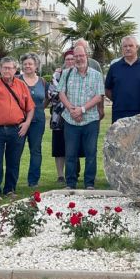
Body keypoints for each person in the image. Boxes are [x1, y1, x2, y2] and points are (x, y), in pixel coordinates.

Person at [0, 57, 34, 200]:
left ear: (15, 70)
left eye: (10, 68)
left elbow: (30, 107)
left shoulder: (21, 85)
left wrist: (27, 123)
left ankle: (10, 189)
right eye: (4, 68)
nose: (7, 70)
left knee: (13, 161)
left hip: (17, 130)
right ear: (0, 69)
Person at [58, 45, 105, 189]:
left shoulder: (96, 75)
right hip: (71, 120)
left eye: (81, 56)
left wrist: (82, 110)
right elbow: (61, 93)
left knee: (91, 153)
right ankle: (70, 183)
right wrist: (72, 110)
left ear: (87, 56)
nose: (78, 59)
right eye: (76, 56)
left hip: (90, 120)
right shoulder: (66, 73)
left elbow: (99, 96)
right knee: (70, 153)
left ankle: (89, 183)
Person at [105, 36, 140, 122]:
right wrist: (118, 99)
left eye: (131, 46)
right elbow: (107, 90)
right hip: (119, 113)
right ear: (122, 49)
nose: (128, 48)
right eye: (125, 46)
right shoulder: (114, 68)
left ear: (137, 47)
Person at [19, 53, 48, 187]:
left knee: (35, 150)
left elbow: (46, 99)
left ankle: (33, 181)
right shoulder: (17, 80)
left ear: (36, 66)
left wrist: (39, 109)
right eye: (25, 64)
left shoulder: (42, 82)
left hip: (38, 121)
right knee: (16, 150)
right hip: (19, 121)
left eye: (30, 64)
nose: (27, 66)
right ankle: (12, 179)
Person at [49, 51, 75, 185]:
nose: (70, 61)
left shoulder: (80, 74)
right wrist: (68, 99)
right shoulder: (57, 75)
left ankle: (73, 173)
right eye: (68, 59)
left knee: (73, 145)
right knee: (59, 146)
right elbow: (52, 94)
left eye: (72, 59)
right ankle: (60, 175)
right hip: (59, 116)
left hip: (76, 115)